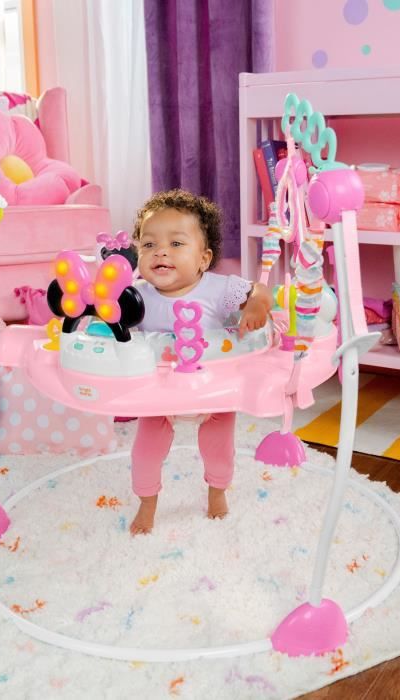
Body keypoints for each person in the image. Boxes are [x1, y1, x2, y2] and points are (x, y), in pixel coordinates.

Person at [129, 189, 272, 534]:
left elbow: (260, 290)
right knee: (145, 453)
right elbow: (112, 321)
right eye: (149, 244)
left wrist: (255, 305)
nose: (161, 251)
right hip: (159, 394)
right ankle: (147, 504)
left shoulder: (218, 289)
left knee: (218, 448)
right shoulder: (136, 296)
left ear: (203, 259)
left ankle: (217, 493)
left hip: (213, 390)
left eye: (176, 243)